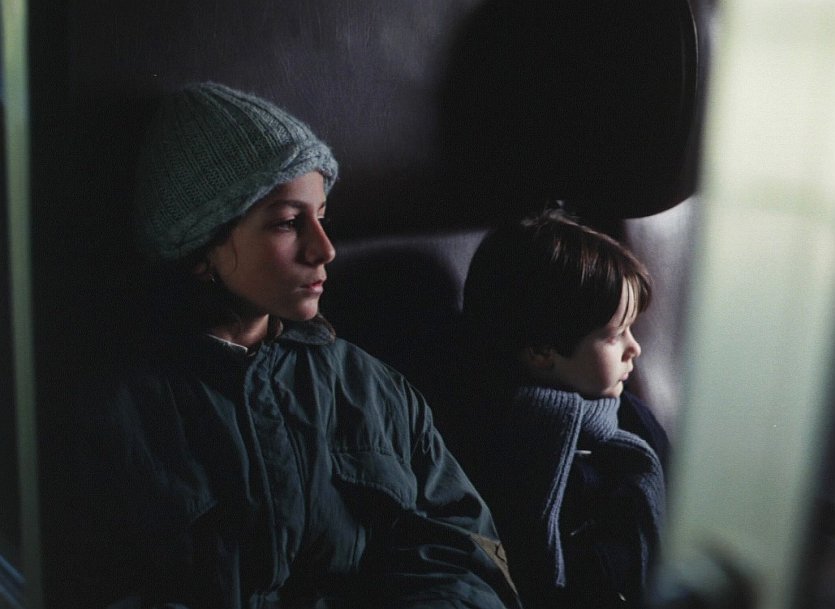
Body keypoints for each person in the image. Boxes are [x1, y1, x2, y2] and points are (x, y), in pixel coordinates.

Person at [50, 82, 521, 609]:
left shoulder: (373, 388)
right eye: (289, 222)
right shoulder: (114, 413)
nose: (325, 249)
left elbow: (462, 547)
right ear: (202, 249)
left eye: (322, 216)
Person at [452, 209, 669, 609]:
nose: (634, 348)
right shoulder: (494, 439)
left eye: (632, 330)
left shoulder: (632, 420)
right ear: (541, 351)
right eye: (615, 335)